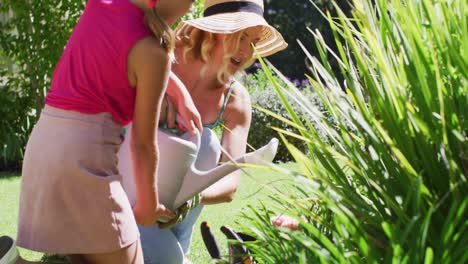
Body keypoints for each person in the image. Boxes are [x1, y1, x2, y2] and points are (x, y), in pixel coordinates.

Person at [0, 0, 201, 263]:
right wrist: (148, 205)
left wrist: (177, 89)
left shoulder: (100, 5)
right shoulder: (153, 53)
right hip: (83, 160)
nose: (190, 8)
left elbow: (116, 48)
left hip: (42, 148)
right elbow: (143, 144)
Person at [123, 0, 288, 263]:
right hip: (127, 200)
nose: (246, 51)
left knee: (207, 142)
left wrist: (189, 196)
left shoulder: (235, 100)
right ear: (213, 30)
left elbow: (231, 183)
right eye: (241, 35)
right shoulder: (161, 55)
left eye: (253, 42)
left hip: (174, 220)